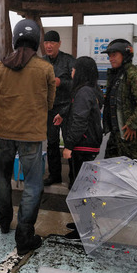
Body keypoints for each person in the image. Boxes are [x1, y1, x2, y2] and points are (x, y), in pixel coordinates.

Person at [0, 19, 55, 255]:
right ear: (36, 40)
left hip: (4, 132)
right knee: (33, 183)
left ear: (16, 39)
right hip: (31, 135)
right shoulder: (45, 68)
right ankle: (24, 233)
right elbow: (49, 103)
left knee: (2, 176)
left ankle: (4, 221)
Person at [102, 38, 137, 164]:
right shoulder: (117, 75)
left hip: (130, 135)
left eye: (114, 55)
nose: (110, 59)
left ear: (125, 55)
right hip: (116, 134)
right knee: (110, 168)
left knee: (132, 170)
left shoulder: (134, 75)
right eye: (109, 56)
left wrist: (132, 124)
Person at [57, 56, 103, 184]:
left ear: (80, 72)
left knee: (79, 184)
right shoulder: (93, 89)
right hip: (88, 143)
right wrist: (62, 113)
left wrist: (69, 146)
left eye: (74, 69)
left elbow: (79, 121)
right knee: (83, 181)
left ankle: (80, 204)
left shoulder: (83, 92)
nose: (72, 71)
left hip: (83, 145)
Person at [42, 30, 75, 186]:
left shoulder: (68, 61)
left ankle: (73, 177)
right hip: (49, 109)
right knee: (52, 143)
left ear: (59, 44)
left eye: (52, 43)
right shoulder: (41, 62)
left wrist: (61, 82)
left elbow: (77, 83)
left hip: (67, 108)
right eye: (46, 43)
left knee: (70, 142)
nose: (49, 46)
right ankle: (54, 175)